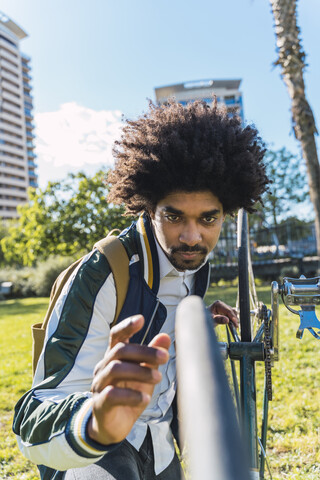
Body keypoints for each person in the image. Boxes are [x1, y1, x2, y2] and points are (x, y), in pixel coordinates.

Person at [13, 99, 269, 480]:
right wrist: (95, 419)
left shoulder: (196, 266)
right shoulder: (103, 272)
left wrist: (191, 323)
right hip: (97, 454)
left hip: (161, 444)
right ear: (149, 208)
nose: (191, 236)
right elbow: (32, 418)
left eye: (208, 218)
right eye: (173, 215)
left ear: (226, 213)